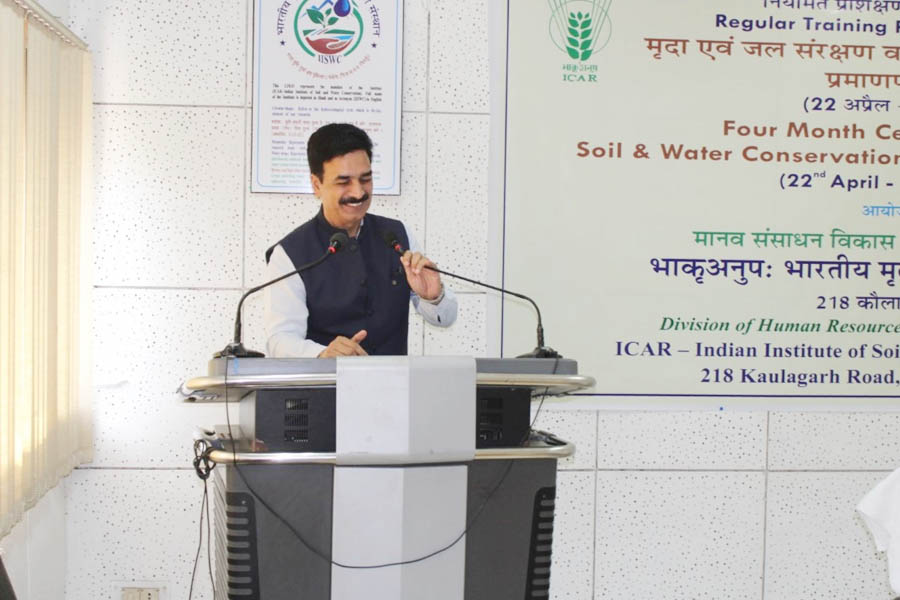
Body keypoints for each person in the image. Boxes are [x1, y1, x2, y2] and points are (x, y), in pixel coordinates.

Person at [264, 123, 457, 357]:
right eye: (344, 182)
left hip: (392, 379)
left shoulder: (398, 235)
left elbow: (445, 318)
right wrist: (322, 354)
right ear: (317, 185)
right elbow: (280, 339)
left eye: (365, 179)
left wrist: (433, 297)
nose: (358, 192)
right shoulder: (289, 254)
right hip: (327, 380)